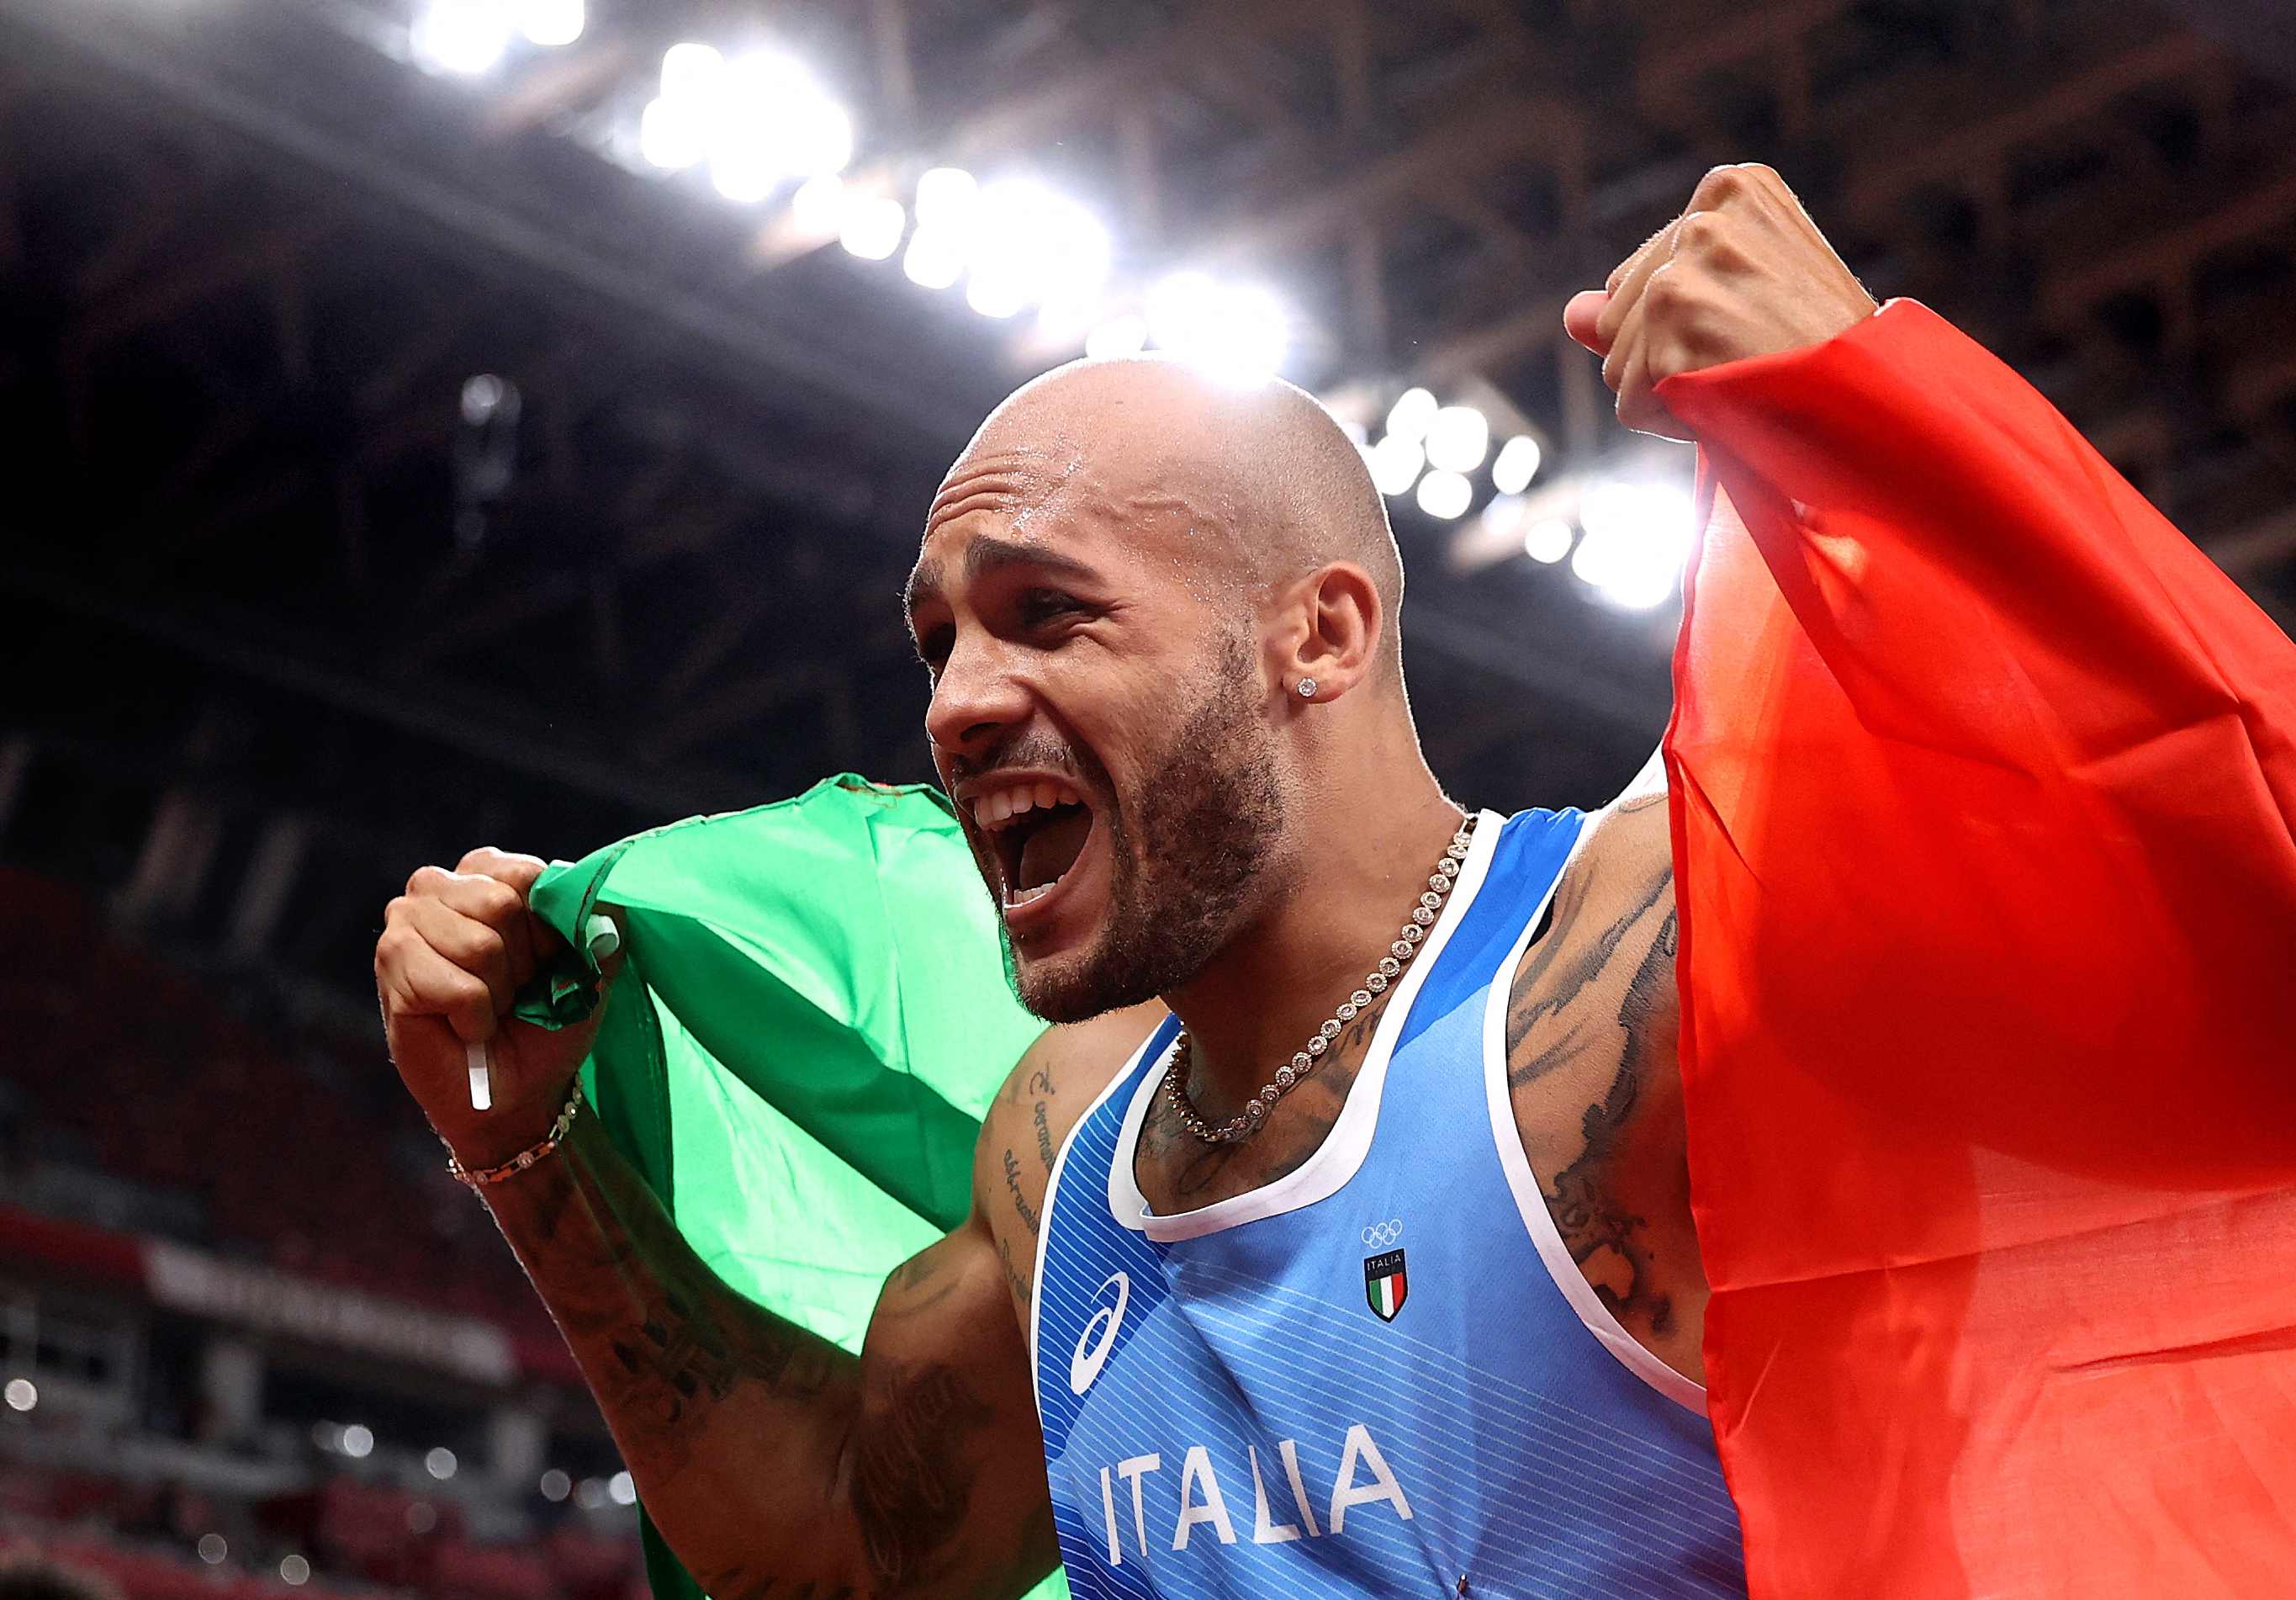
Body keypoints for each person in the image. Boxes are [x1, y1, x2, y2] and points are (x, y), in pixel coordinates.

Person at [375, 163, 2296, 1600]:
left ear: (1319, 633)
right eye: (940, 640)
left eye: (1049, 615)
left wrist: (1881, 420)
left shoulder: (1641, 981)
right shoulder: (1063, 1144)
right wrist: (541, 1162)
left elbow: (2230, 918)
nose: (961, 704)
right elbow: (834, 1562)